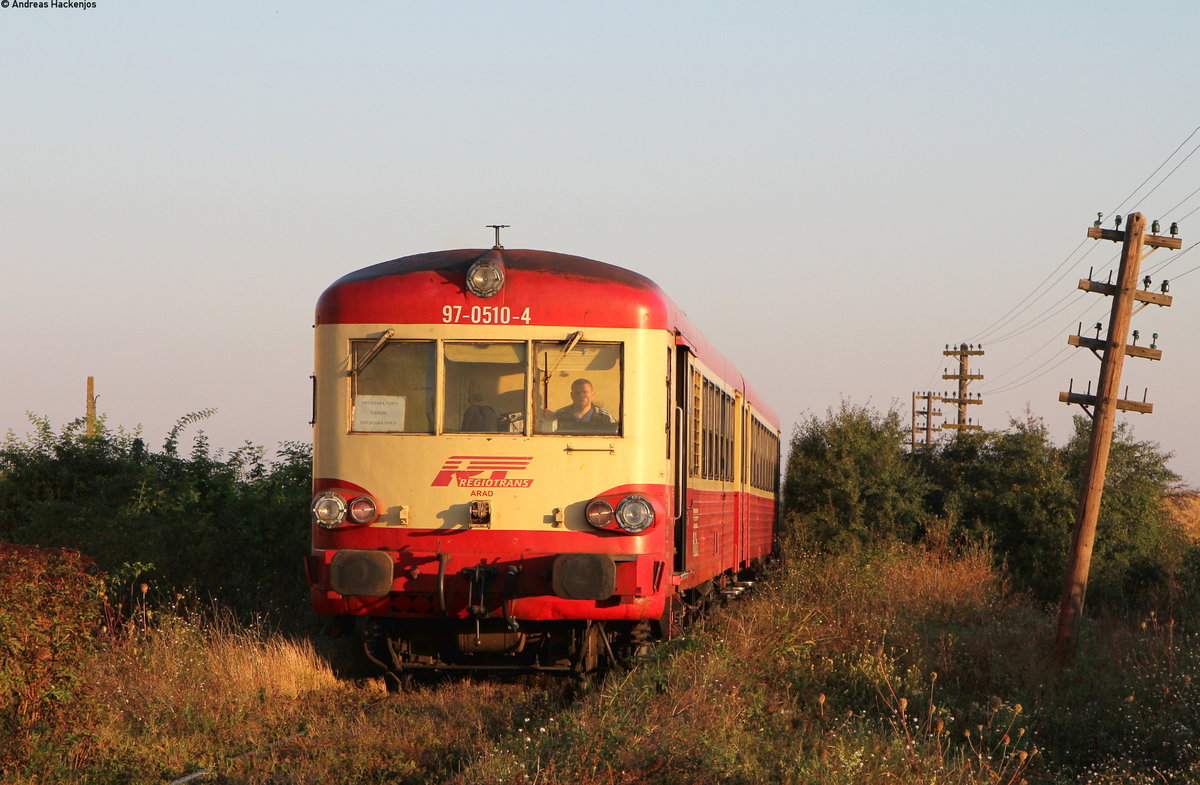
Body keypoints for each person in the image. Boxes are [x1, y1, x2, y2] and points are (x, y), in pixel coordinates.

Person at [553, 378, 617, 434]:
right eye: (577, 393)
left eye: (585, 392)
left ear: (592, 394)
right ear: (571, 395)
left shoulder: (605, 418)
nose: (581, 396)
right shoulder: (559, 416)